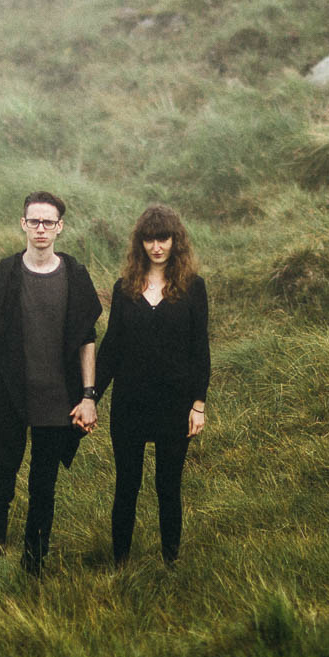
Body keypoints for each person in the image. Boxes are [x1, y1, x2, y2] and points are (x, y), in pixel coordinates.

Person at [0, 190, 102, 574]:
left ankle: (34, 565)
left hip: (57, 400)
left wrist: (88, 396)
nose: (40, 228)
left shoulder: (75, 275)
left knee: (44, 487)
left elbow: (87, 340)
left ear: (60, 227)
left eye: (48, 222)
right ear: (23, 224)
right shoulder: (2, 276)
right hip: (7, 395)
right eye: (34, 221)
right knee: (0, 480)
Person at [95, 203, 210, 565]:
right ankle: (120, 564)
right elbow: (111, 348)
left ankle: (170, 563)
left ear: (176, 240)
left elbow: (199, 350)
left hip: (175, 404)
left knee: (168, 487)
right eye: (149, 239)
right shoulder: (124, 288)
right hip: (129, 404)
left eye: (163, 238)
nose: (156, 247)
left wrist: (198, 404)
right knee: (126, 486)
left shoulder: (193, 287)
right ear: (140, 243)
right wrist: (90, 397)